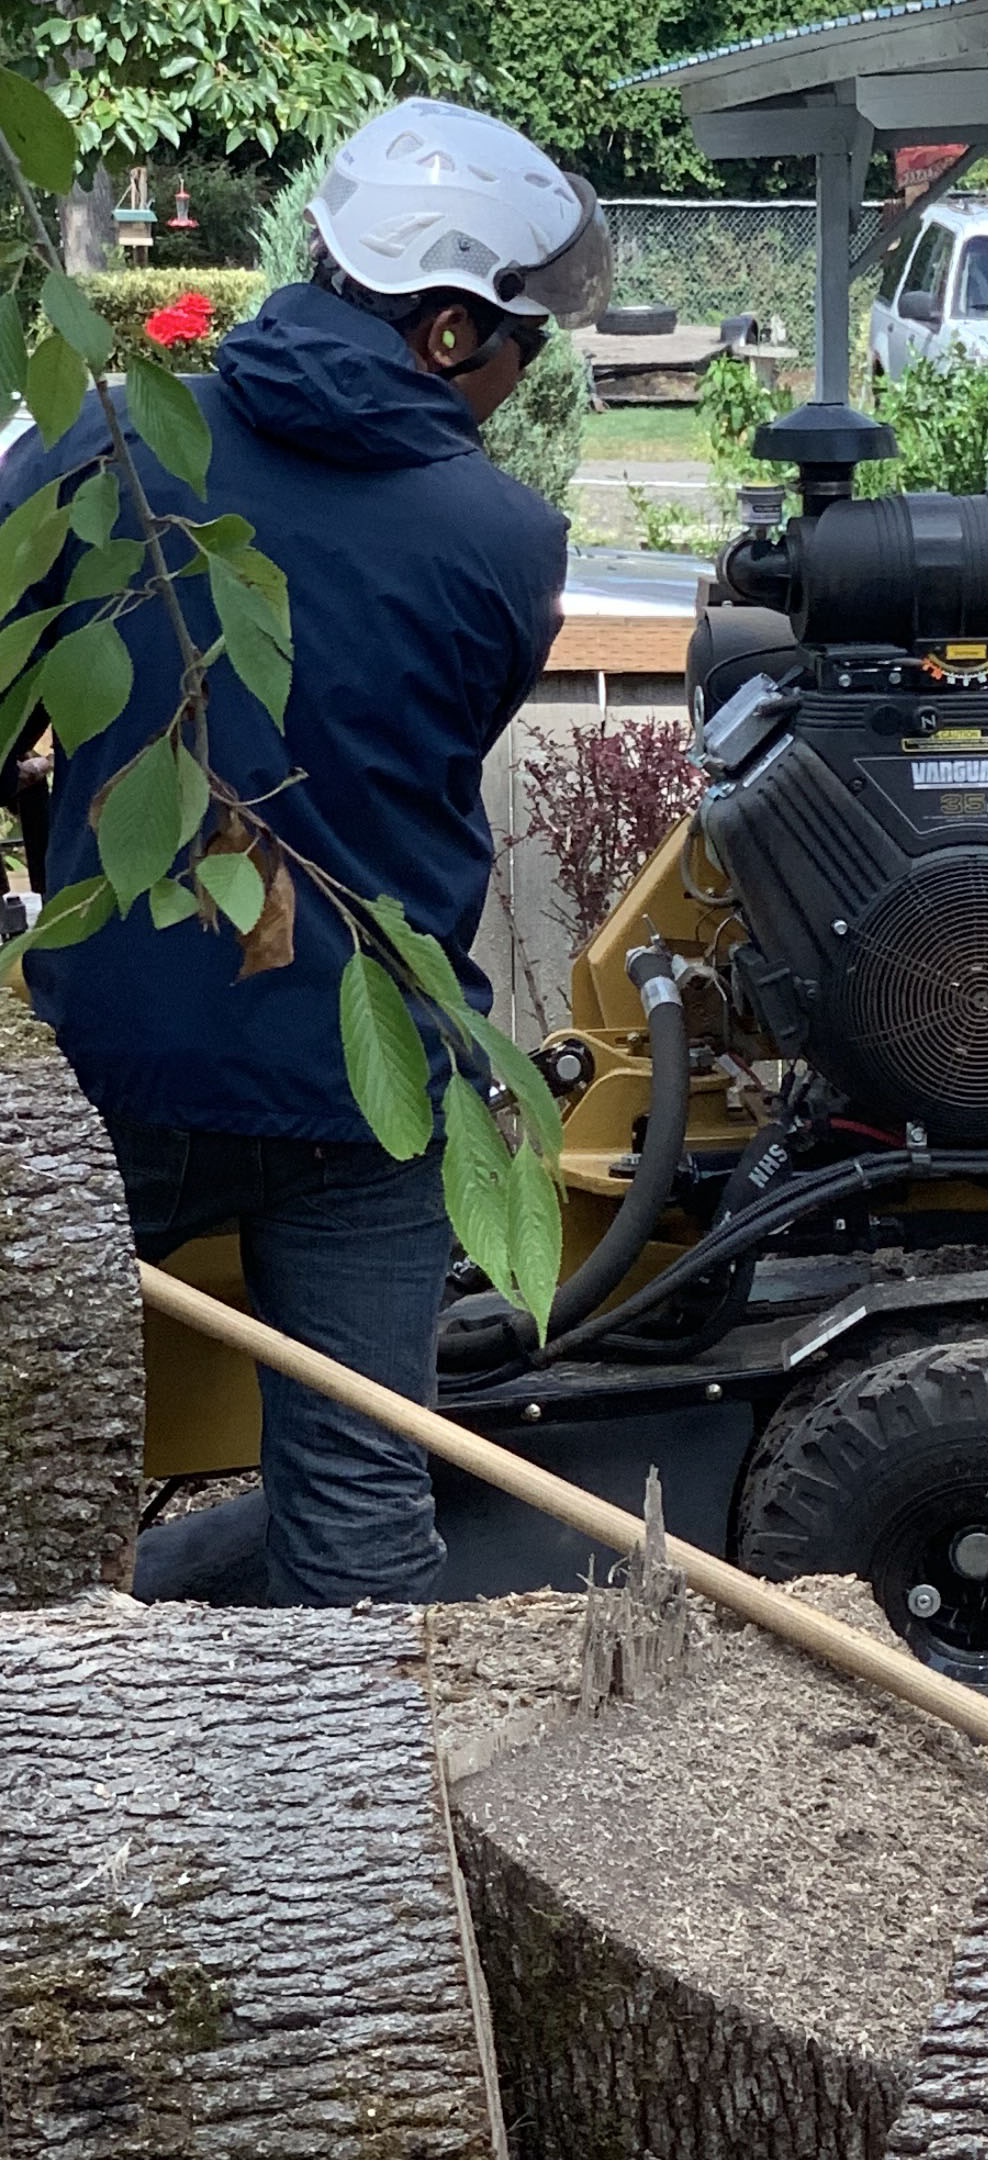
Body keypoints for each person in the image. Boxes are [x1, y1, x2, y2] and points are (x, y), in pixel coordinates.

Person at [7, 99, 607, 1605]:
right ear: (454, 333)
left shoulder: (116, 442)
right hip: (365, 1091)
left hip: (103, 1076)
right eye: (525, 347)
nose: (521, 382)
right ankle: (331, 1819)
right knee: (356, 1536)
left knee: (32, 1473)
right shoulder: (508, 542)